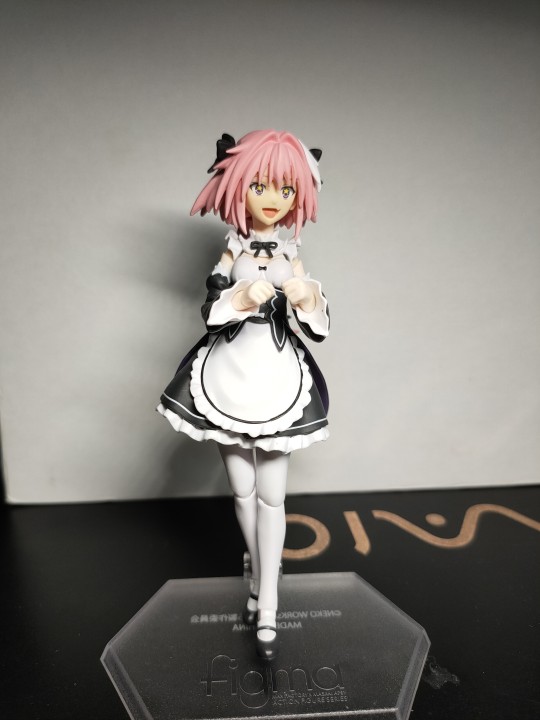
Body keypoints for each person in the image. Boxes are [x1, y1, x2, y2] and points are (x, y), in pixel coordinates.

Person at [158, 129, 330, 660]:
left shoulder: (292, 250)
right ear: (237, 186)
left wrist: (307, 296)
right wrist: (239, 297)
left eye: (285, 188)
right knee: (242, 490)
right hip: (228, 372)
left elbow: (318, 326)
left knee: (273, 495)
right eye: (260, 186)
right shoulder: (232, 246)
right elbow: (210, 314)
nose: (273, 199)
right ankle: (257, 572)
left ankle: (269, 597)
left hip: (276, 374)